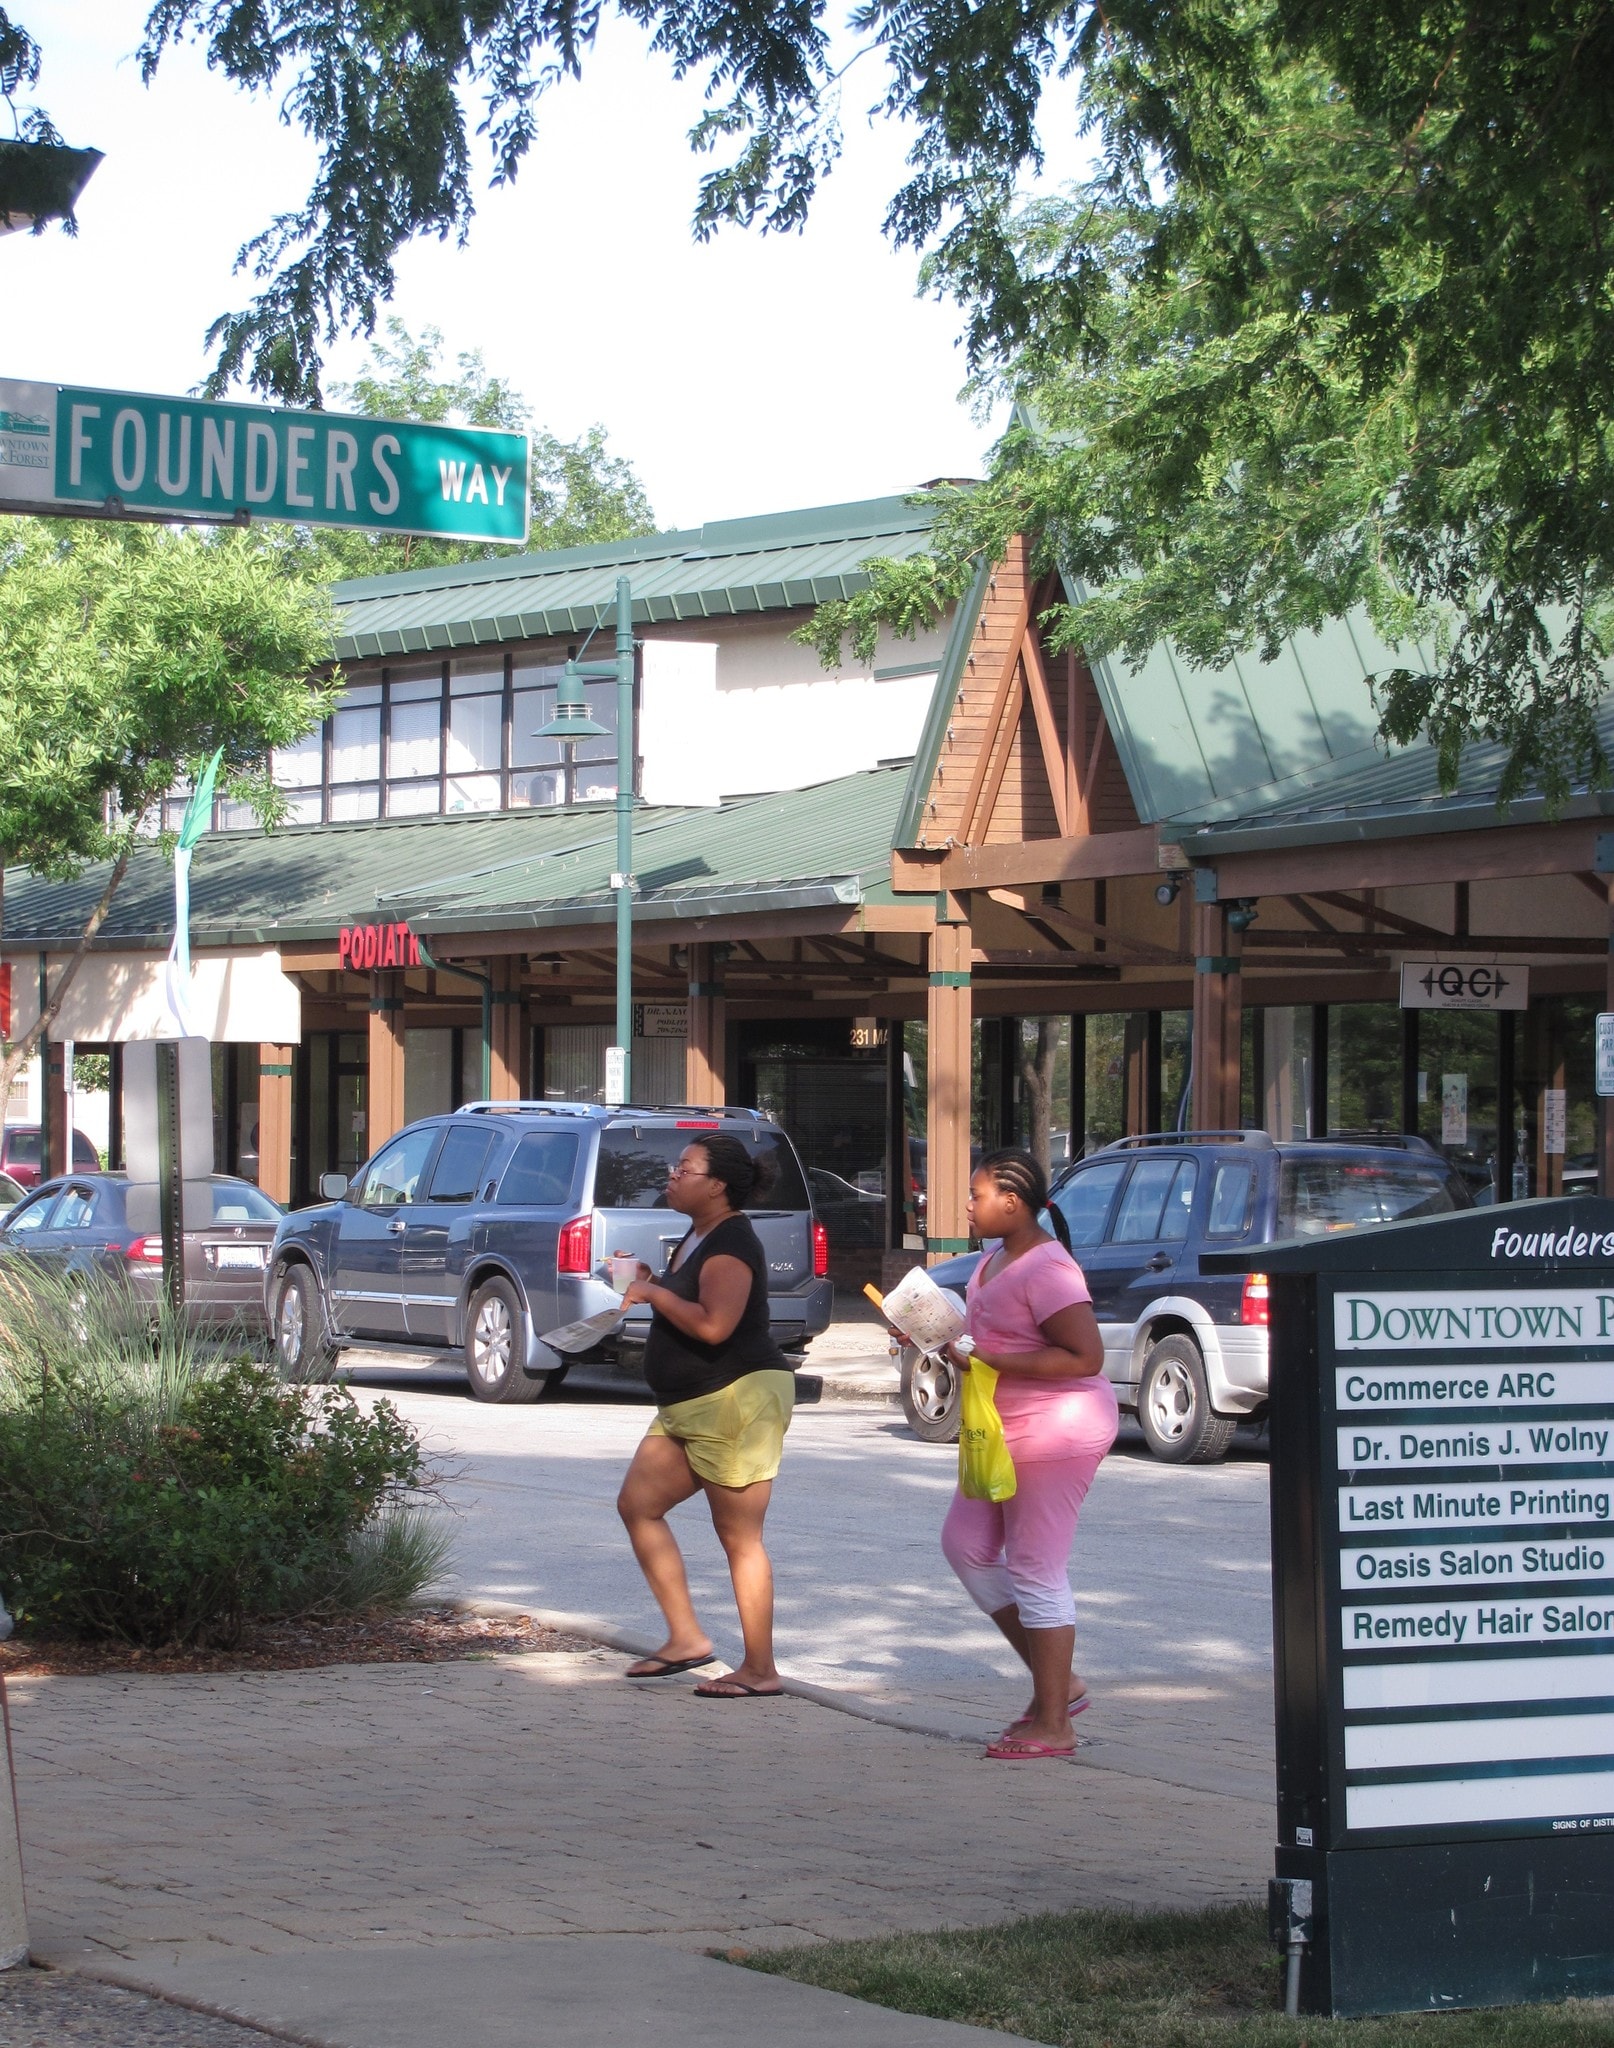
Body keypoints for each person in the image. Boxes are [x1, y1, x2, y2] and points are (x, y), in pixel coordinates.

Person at [937, 1147, 1117, 1760]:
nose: (968, 1204)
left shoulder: (1050, 1269)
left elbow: (1085, 1358)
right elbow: (991, 1332)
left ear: (1012, 1202)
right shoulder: (993, 1260)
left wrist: (989, 1359)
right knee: (965, 1545)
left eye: (977, 1194)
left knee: (1035, 1566)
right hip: (1000, 1428)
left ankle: (1055, 1725)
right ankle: (1059, 1686)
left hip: (1057, 1428)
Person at [615, 1134, 795, 1699]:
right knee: (638, 1506)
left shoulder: (732, 1242)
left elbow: (716, 1325)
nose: (672, 1175)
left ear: (716, 1184)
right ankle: (686, 1638)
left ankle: (760, 1669)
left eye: (685, 1168)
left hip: (735, 1397)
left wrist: (653, 1293)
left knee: (739, 1535)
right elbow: (687, 1298)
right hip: (686, 1404)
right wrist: (653, 1279)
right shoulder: (697, 1234)